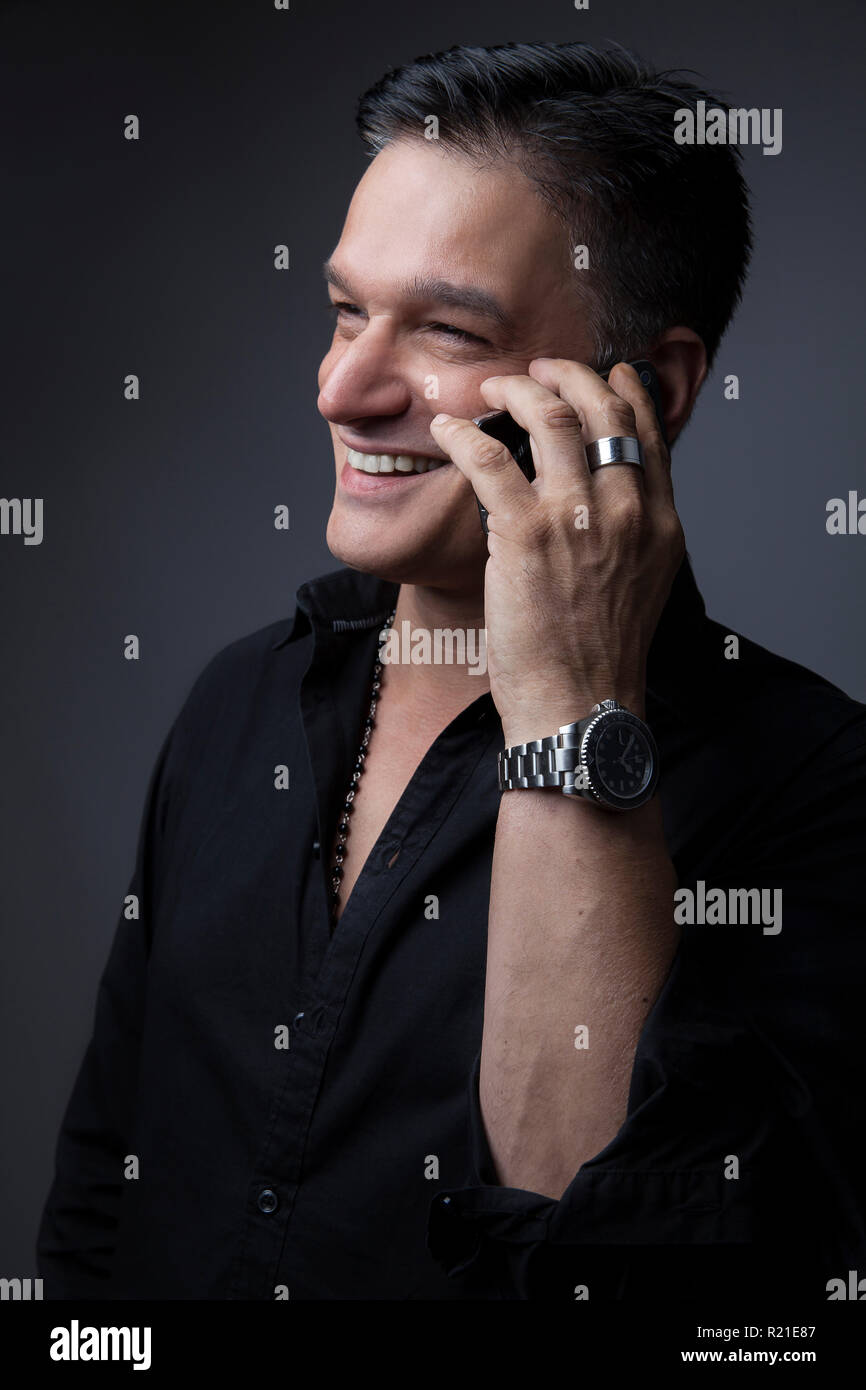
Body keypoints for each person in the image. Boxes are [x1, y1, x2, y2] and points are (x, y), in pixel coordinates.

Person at [38, 40, 866, 1301]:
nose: (339, 388)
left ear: (654, 388)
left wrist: (573, 713)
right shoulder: (239, 703)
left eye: (443, 328)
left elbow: (625, 1279)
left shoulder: (814, 788)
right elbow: (103, 1199)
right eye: (341, 311)